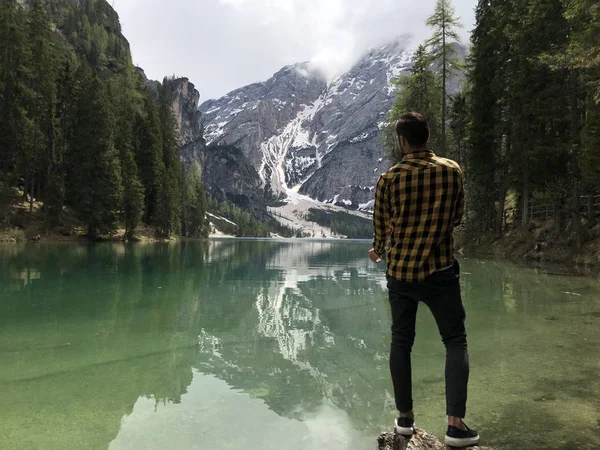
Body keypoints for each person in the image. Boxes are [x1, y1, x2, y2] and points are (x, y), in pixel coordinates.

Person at [368, 112, 479, 447]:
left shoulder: (390, 178)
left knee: (401, 341)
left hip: (400, 273)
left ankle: (404, 420)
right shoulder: (452, 170)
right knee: (454, 341)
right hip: (441, 270)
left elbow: (381, 226)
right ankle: (455, 425)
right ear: (428, 136)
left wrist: (378, 249)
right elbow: (458, 215)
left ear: (402, 140)